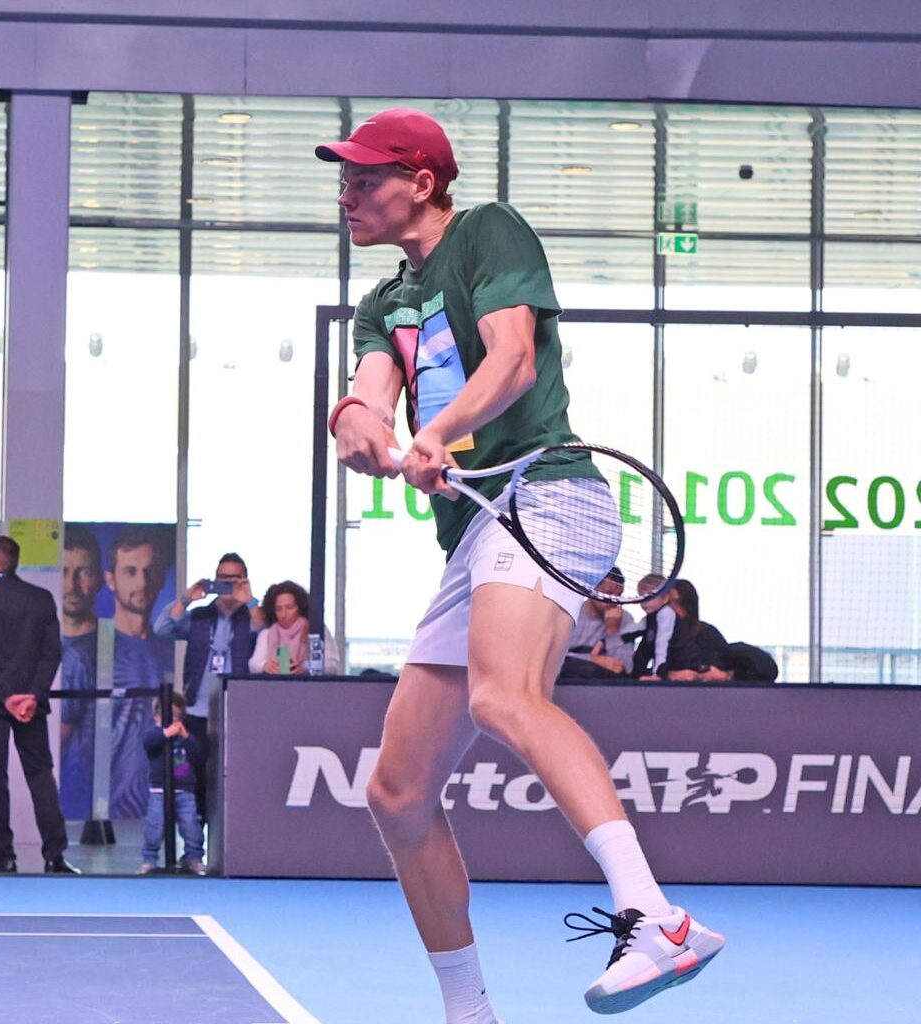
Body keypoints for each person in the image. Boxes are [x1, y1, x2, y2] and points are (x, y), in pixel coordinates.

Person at [320, 108, 721, 1020]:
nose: (347, 194)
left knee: (506, 696)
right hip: (475, 532)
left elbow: (513, 359)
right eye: (343, 179)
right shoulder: (384, 301)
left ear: (421, 182)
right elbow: (367, 395)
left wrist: (436, 433)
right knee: (396, 792)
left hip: (550, 496)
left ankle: (658, 919)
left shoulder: (486, 232)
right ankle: (472, 1014)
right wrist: (358, 426)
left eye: (365, 177)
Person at [0, 536, 76, 875]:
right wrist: (30, 695)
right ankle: (55, 856)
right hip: (30, 702)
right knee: (40, 775)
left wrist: (6, 697)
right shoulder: (41, 599)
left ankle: (3, 856)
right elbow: (51, 654)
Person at [107, 527, 175, 820]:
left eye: (150, 571)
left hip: (160, 800)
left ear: (161, 578)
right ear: (111, 580)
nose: (142, 582)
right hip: (103, 809)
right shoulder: (94, 650)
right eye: (130, 571)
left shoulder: (170, 647)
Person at [155, 552, 256, 736]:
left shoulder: (251, 616)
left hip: (238, 711)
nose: (228, 584)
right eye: (223, 578)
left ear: (244, 581)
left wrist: (250, 600)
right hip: (196, 710)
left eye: (234, 579)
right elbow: (161, 629)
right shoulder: (199, 616)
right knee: (197, 762)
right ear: (215, 581)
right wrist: (186, 599)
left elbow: (264, 631)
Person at [55, 526, 101, 821]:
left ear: (98, 579)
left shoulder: (115, 645)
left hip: (96, 797)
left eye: (82, 572)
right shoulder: (39, 642)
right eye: (64, 571)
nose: (71, 584)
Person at [139, 692, 207, 875]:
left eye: (176, 715)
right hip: (159, 790)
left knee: (191, 824)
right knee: (155, 825)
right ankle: (149, 859)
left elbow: (197, 755)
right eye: (167, 715)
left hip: (184, 790)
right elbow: (148, 743)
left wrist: (185, 737)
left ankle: (194, 858)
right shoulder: (153, 734)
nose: (172, 720)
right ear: (156, 717)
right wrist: (165, 733)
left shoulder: (186, 737)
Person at [253, 581, 313, 676]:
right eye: (278, 609)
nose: (284, 614)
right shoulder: (267, 633)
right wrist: (264, 666)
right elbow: (253, 664)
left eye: (289, 607)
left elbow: (331, 665)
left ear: (300, 607)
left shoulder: (315, 630)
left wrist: (305, 668)